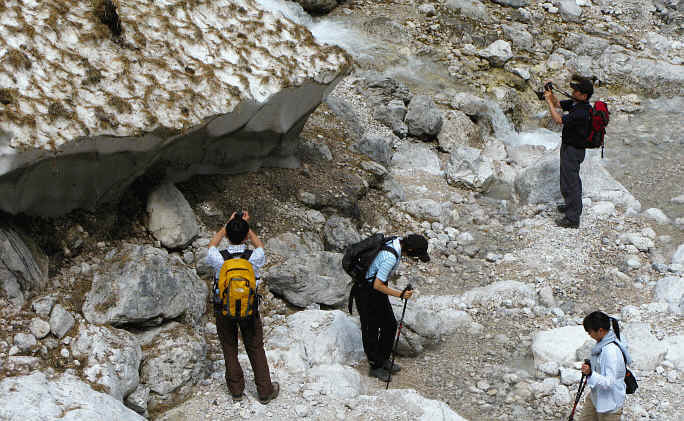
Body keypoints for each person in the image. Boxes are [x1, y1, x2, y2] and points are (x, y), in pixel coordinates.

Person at [206, 211, 279, 404]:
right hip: (249, 310)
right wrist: (246, 227)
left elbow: (211, 245)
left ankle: (236, 390)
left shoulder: (218, 258)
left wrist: (228, 225)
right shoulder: (253, 257)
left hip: (224, 310)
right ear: (246, 236)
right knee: (255, 347)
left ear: (228, 236)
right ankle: (265, 391)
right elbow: (260, 246)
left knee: (229, 348)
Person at [355, 234, 430, 381]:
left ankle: (383, 359)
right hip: (366, 291)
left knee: (389, 325)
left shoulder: (397, 241)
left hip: (375, 289)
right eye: (416, 255)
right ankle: (375, 366)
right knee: (371, 328)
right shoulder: (390, 257)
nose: (415, 259)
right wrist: (400, 294)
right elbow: (377, 284)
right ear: (410, 249)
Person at [544, 75, 594, 228]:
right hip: (568, 147)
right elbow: (558, 104)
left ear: (584, 95)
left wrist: (548, 103)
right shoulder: (576, 103)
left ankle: (573, 219)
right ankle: (569, 205)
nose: (573, 92)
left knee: (572, 182)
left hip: (574, 150)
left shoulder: (583, 111)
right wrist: (550, 94)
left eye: (577, 91)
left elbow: (558, 120)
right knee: (566, 180)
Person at [579, 311, 632, 421]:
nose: (589, 335)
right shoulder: (602, 343)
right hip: (596, 397)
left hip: (610, 404)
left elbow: (609, 382)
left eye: (590, 332)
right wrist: (591, 366)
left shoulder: (610, 351)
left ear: (600, 331)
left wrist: (590, 373)